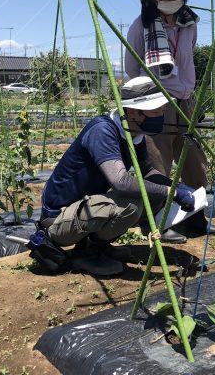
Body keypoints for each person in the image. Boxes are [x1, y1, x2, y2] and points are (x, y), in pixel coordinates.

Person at [39, 76, 197, 277]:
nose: (162, 114)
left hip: (85, 208)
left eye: (163, 110)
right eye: (157, 110)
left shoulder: (134, 132)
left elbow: (148, 172)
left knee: (153, 195)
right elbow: (120, 181)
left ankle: (99, 245)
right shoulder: (103, 130)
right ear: (132, 112)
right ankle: (87, 254)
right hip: (58, 218)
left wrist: (175, 186)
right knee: (130, 205)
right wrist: (171, 191)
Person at [124, 0, 215, 244]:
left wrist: (185, 89)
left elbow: (188, 56)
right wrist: (150, 99)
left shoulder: (189, 25)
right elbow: (132, 69)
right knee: (159, 162)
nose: (168, 0)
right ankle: (159, 222)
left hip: (185, 99)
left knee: (194, 160)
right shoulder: (139, 28)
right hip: (155, 100)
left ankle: (196, 218)